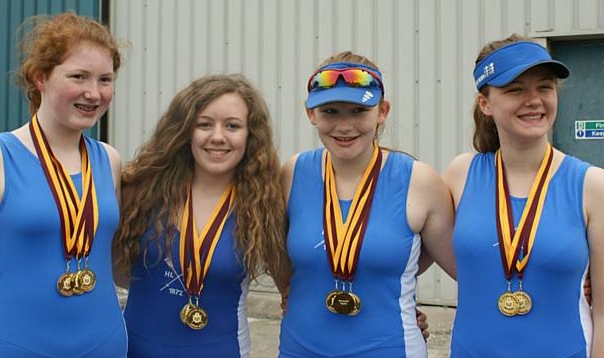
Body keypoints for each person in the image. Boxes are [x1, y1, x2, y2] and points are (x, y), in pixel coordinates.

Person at [0, 12, 127, 357]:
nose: (93, 93)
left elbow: (114, 261)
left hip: (103, 344)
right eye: (78, 76)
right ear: (41, 77)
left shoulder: (109, 160)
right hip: (10, 345)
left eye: (105, 79)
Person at [278, 51, 456, 357]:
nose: (344, 126)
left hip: (390, 348)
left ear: (382, 111)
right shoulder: (293, 173)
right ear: (311, 114)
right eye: (330, 111)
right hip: (300, 348)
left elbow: (465, 269)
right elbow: (277, 255)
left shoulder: (419, 181)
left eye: (359, 111)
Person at [444, 34, 604, 357]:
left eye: (544, 87)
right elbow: (398, 255)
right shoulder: (460, 175)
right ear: (485, 103)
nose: (534, 100)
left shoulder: (592, 185)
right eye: (516, 89)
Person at [113, 74, 289, 357]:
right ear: (185, 130)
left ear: (250, 135)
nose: (217, 137)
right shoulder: (140, 191)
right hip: (136, 350)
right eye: (204, 124)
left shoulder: (263, 205)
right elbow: (118, 272)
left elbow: (290, 288)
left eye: (232, 126)